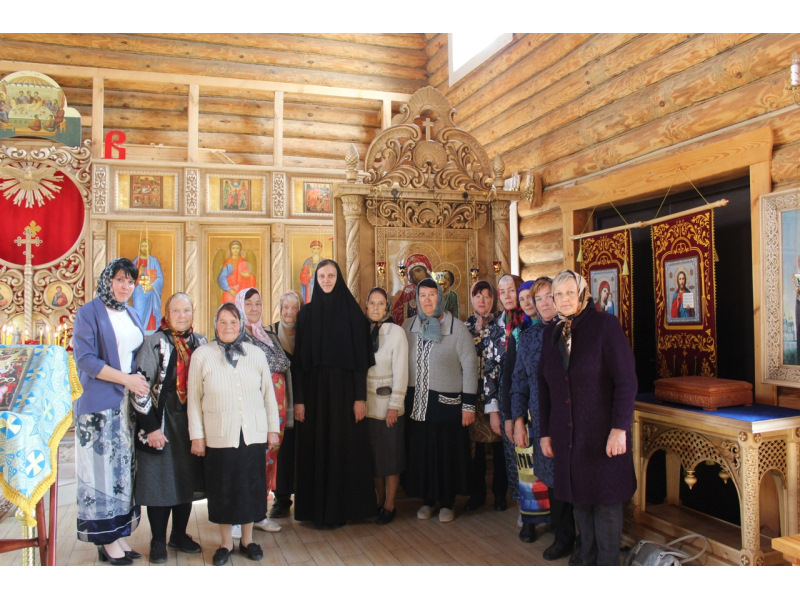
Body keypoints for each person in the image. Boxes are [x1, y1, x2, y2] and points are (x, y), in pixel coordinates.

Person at [539, 271, 637, 566]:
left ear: (583, 294)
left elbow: (626, 381)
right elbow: (545, 386)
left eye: (570, 293)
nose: (564, 299)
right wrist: (545, 432)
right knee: (581, 502)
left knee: (605, 507)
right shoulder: (551, 332)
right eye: (558, 294)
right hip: (569, 438)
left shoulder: (605, 326)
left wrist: (619, 428)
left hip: (603, 436)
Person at [187, 303, 280, 566]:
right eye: (223, 322)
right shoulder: (202, 355)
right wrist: (197, 435)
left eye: (233, 322)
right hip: (219, 435)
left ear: (241, 325)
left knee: (251, 488)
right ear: (215, 324)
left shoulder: (256, 353)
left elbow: (268, 396)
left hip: (252, 434)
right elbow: (194, 400)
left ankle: (248, 540)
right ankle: (226, 543)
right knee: (223, 489)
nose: (228, 327)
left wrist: (273, 429)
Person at [73, 257, 148, 565]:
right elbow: (87, 361)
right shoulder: (88, 312)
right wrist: (126, 379)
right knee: (100, 475)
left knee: (121, 474)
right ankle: (105, 540)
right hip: (99, 405)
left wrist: (138, 380)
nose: (125, 286)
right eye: (119, 280)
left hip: (126, 406)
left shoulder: (131, 312)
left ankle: (117, 534)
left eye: (130, 282)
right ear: (107, 280)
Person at [293, 259, 375, 528]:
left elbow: (360, 364)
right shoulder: (305, 315)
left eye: (331, 276)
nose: (326, 280)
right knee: (317, 448)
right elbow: (300, 365)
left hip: (345, 395)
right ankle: (317, 511)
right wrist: (300, 401)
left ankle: (346, 509)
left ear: (338, 279)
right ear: (315, 280)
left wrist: (359, 398)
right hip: (315, 396)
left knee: (344, 448)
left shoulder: (352, 315)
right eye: (321, 276)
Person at [131, 293, 207, 564]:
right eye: (176, 311)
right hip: (161, 424)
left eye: (187, 310)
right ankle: (157, 541)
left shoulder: (201, 342)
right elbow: (139, 387)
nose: (182, 315)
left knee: (184, 481)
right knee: (159, 483)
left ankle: (179, 534)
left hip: (190, 425)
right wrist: (151, 428)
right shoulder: (155, 342)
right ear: (167, 312)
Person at [511, 277, 578, 560]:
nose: (544, 303)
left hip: (575, 419)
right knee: (553, 479)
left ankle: (587, 540)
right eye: (538, 299)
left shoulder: (575, 331)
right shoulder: (528, 339)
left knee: (578, 478)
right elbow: (519, 381)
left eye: (549, 296)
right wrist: (516, 419)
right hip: (543, 421)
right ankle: (564, 537)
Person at [403, 277, 477, 523]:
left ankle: (447, 502)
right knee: (423, 453)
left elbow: (470, 367)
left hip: (447, 405)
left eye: (432, 295)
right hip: (418, 404)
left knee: (446, 455)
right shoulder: (408, 326)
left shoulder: (458, 328)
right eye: (422, 295)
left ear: (441, 297)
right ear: (416, 299)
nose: (427, 300)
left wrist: (468, 406)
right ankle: (427, 500)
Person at [234, 287, 292, 534]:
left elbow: (284, 367)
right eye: (249, 304)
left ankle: (258, 513)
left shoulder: (267, 334)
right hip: (251, 410)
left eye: (258, 303)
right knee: (246, 460)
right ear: (239, 306)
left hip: (275, 409)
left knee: (267, 459)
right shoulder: (235, 336)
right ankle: (238, 517)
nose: (255, 308)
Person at [364, 287, 408, 525]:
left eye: (381, 303)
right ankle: (379, 501)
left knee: (390, 458)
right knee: (375, 460)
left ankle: (390, 504)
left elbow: (401, 371)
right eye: (372, 303)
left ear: (387, 307)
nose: (376, 308)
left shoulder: (396, 333)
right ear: (366, 306)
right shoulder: (362, 332)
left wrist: (394, 405)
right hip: (368, 407)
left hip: (389, 406)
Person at [463, 280, 507, 513]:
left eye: (487, 296)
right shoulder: (464, 327)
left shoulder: (502, 325)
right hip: (472, 396)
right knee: (476, 450)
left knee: (499, 447)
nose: (482, 300)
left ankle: (500, 494)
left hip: (497, 396)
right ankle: (477, 494)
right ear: (471, 299)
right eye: (477, 296)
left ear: (494, 299)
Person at [484, 274, 525, 513]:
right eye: (503, 291)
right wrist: (493, 410)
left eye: (511, 290)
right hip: (506, 395)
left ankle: (546, 508)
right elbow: (489, 370)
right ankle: (524, 508)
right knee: (513, 455)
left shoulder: (530, 321)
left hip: (532, 396)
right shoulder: (496, 327)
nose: (507, 296)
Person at [266, 290, 302, 519]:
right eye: (285, 307)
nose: (289, 312)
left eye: (294, 307)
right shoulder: (269, 335)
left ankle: (304, 494)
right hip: (280, 403)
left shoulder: (307, 333)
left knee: (301, 449)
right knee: (283, 450)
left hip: (304, 400)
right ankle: (281, 498)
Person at [131, 238, 164, 334]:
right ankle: (139, 334)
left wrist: (152, 285)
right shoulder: (135, 261)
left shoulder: (154, 261)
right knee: (139, 313)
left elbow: (160, 278)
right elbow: (130, 279)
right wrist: (139, 273)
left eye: (146, 246)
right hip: (139, 293)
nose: (144, 248)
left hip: (151, 293)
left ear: (149, 247)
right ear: (139, 247)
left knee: (151, 315)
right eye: (142, 246)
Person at [390, 253, 432, 325]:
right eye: (412, 274)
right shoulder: (408, 291)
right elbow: (395, 312)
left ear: (426, 270)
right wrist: (410, 305)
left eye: (418, 271)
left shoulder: (434, 288)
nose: (416, 276)